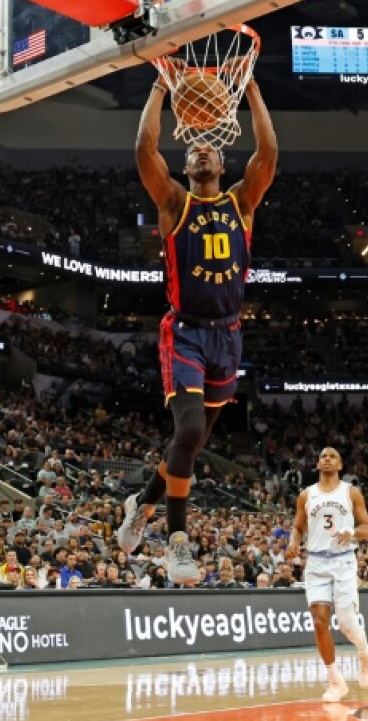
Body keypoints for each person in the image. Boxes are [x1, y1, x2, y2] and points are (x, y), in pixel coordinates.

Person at [118, 54, 278, 584]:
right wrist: (160, 87)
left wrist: (249, 88)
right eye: (192, 151)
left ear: (222, 165)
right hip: (185, 332)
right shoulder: (173, 204)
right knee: (187, 429)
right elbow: (144, 150)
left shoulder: (242, 204)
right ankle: (177, 543)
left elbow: (268, 153)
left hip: (228, 336)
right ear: (185, 169)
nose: (201, 150)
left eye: (209, 148)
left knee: (193, 443)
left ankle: (141, 504)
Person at [285, 448, 368, 702]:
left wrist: (352, 532)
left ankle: (365, 651)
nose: (327, 459)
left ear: (340, 465)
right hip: (315, 562)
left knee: (346, 623)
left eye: (332, 456)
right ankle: (335, 681)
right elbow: (298, 527)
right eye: (323, 456)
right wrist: (293, 542)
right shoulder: (306, 495)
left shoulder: (351, 492)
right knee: (318, 622)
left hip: (343, 560)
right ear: (317, 464)